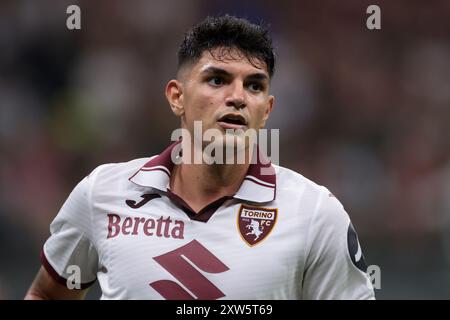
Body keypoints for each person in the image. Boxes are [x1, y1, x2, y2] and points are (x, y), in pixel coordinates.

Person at [25, 15, 375, 300]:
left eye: (254, 85)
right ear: (177, 97)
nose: (238, 97)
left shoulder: (314, 212)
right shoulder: (102, 193)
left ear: (266, 111)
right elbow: (47, 294)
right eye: (217, 79)